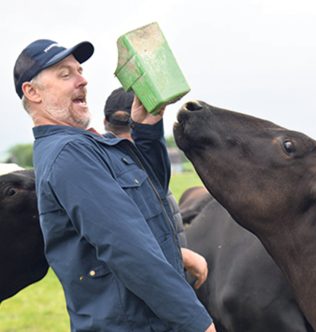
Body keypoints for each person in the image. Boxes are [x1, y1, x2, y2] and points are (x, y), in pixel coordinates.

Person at [13, 39, 216, 332]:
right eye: (64, 74)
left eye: (79, 70)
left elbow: (151, 195)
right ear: (32, 93)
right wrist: (197, 322)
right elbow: (127, 246)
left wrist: (146, 129)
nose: (82, 80)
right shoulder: (69, 154)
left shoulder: (91, 145)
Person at [103, 87, 208, 289]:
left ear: (105, 122)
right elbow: (125, 240)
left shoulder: (137, 163)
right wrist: (182, 256)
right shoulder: (120, 170)